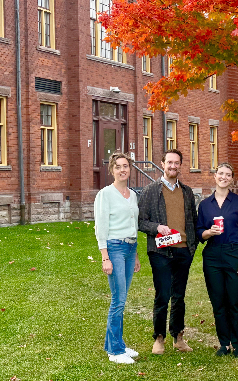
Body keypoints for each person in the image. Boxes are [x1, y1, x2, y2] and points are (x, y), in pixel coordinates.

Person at [138, 149, 198, 354]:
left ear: (180, 165)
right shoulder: (150, 191)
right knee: (162, 295)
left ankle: (178, 336)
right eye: (169, 162)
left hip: (183, 250)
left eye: (177, 163)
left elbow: (193, 222)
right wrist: (156, 228)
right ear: (162, 164)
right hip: (160, 252)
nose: (173, 166)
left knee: (179, 296)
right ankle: (159, 338)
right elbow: (140, 221)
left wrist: (191, 247)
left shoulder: (187, 192)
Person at [196, 163, 238, 358]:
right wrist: (208, 232)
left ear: (232, 179)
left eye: (228, 175)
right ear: (215, 176)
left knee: (235, 301)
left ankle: (237, 345)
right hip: (212, 256)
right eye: (221, 173)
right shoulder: (205, 204)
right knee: (218, 301)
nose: (224, 177)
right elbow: (198, 233)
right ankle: (224, 343)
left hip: (234, 253)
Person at [94, 152, 141, 364]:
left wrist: (136, 254)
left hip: (131, 248)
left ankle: (117, 344)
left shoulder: (132, 195)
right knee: (118, 300)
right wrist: (105, 257)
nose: (123, 170)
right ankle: (115, 352)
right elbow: (101, 227)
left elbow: (134, 226)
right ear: (112, 170)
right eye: (118, 167)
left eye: (126, 166)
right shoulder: (105, 194)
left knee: (122, 298)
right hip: (114, 248)